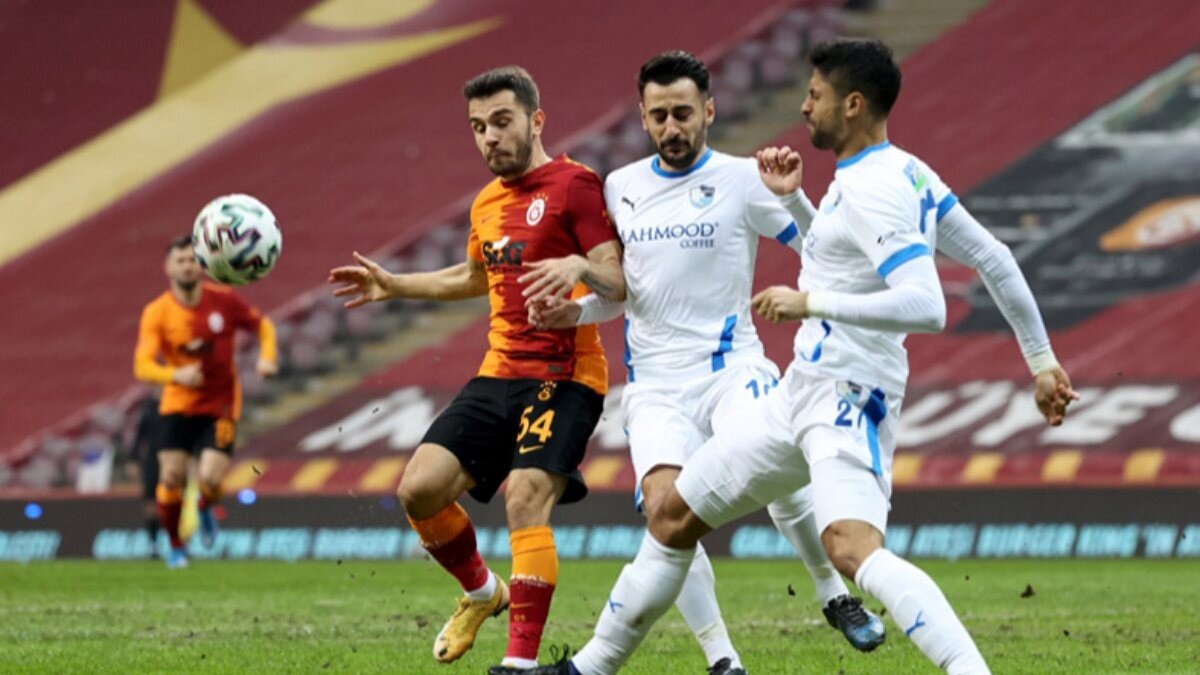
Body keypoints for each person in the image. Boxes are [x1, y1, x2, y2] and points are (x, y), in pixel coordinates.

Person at [527, 38, 1079, 675]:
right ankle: (587, 669)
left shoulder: (872, 188)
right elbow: (992, 257)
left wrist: (809, 303)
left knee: (852, 547)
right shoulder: (903, 171)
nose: (803, 106)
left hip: (848, 397)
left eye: (815, 96)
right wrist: (1041, 360)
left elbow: (927, 305)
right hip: (800, 391)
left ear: (852, 104)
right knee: (672, 513)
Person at [526, 51, 885, 675]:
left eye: (684, 113)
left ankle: (833, 593)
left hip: (731, 370)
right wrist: (576, 313)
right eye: (660, 115)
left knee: (780, 471)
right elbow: (625, 294)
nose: (672, 127)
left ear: (709, 111)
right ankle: (723, 660)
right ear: (643, 117)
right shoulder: (620, 187)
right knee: (667, 513)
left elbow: (823, 248)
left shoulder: (744, 179)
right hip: (655, 388)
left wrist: (796, 199)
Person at [327, 66, 624, 670]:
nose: (489, 137)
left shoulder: (576, 186)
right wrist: (394, 285)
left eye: (502, 121)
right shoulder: (487, 202)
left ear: (536, 120)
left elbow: (616, 279)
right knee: (418, 490)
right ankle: (484, 593)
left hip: (565, 374)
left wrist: (577, 268)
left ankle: (519, 664)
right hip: (499, 373)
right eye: (478, 127)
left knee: (525, 496)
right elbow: (472, 277)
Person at [133, 235, 279, 568]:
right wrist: (175, 375)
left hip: (221, 403)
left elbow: (264, 326)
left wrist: (267, 358)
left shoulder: (224, 300)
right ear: (168, 267)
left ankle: (204, 507)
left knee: (211, 479)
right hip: (177, 404)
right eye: (180, 260)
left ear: (201, 264)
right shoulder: (157, 312)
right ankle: (175, 545)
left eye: (191, 260)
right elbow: (142, 365)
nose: (187, 266)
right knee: (171, 477)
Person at [129, 392, 162, 557]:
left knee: (175, 502)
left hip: (174, 460)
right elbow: (140, 436)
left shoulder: (180, 406)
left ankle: (177, 542)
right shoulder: (150, 408)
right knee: (151, 503)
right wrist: (133, 459)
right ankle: (153, 543)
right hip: (153, 461)